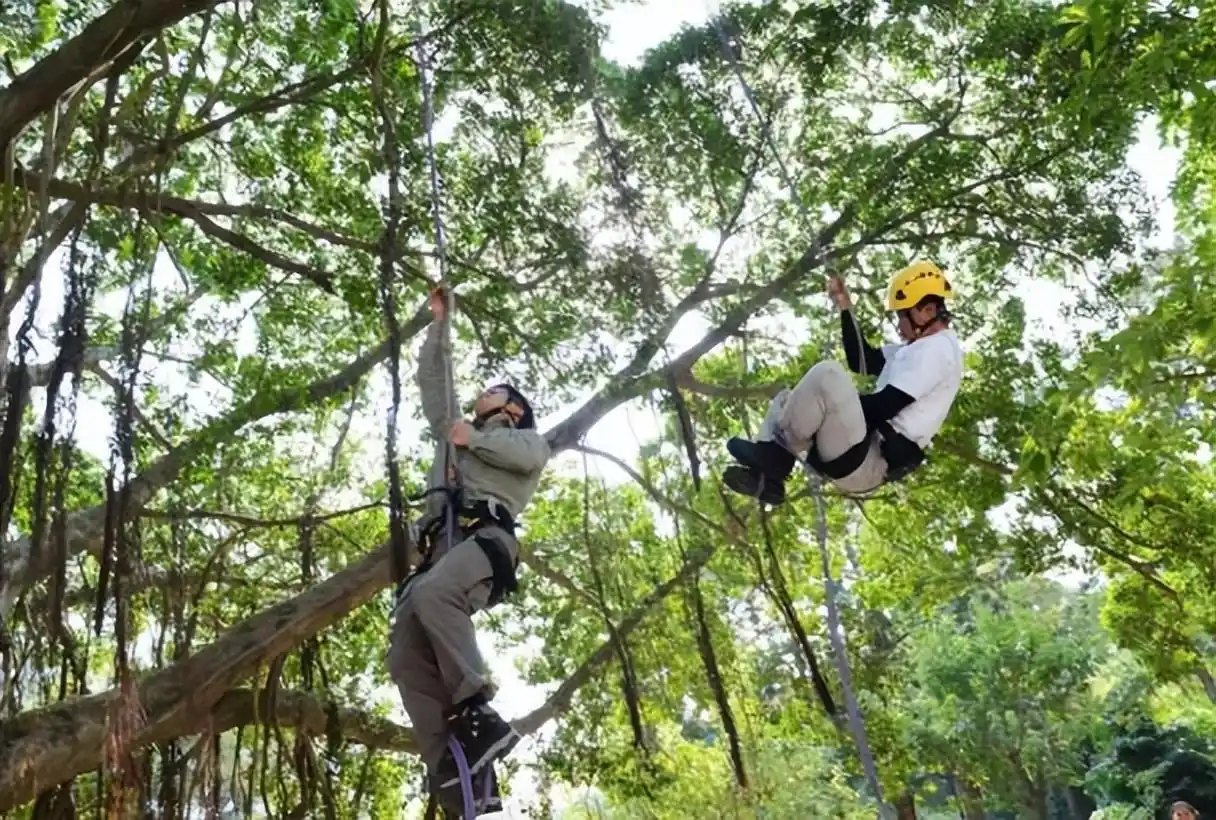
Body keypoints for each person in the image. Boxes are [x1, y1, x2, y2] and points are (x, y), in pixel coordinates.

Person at [388, 287, 550, 813]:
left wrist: (470, 439)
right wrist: (438, 326)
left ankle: (475, 705)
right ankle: (452, 769)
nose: (480, 396)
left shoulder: (523, 440)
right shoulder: (456, 434)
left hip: (487, 542)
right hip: (441, 551)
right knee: (405, 657)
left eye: (492, 392)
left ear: (513, 407)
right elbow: (435, 388)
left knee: (437, 593)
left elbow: (526, 457)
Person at [723, 260, 963, 503]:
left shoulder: (939, 349)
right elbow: (862, 361)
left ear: (929, 311)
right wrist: (845, 307)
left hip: (869, 460)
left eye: (902, 314)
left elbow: (883, 407)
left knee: (827, 376)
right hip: (855, 449)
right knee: (787, 399)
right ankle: (766, 480)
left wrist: (827, 408)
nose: (899, 324)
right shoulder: (915, 349)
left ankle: (776, 461)